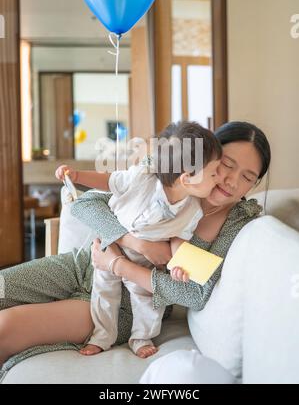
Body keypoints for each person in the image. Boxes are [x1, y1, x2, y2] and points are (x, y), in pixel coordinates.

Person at [0, 121, 270, 379]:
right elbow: (87, 202)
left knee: (5, 327)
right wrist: (136, 243)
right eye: (225, 166)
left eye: (247, 177)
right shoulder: (166, 177)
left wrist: (119, 265)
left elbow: (194, 292)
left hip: (124, 304)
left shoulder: (236, 221)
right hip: (82, 265)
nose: (230, 181)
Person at [55, 121, 222, 358]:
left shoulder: (192, 210)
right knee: (104, 292)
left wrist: (179, 265)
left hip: (145, 262)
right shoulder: (142, 178)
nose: (218, 179)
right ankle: (102, 337)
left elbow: (179, 241)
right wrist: (78, 175)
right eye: (214, 173)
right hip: (111, 245)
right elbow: (110, 180)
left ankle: (141, 337)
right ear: (187, 178)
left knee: (148, 299)